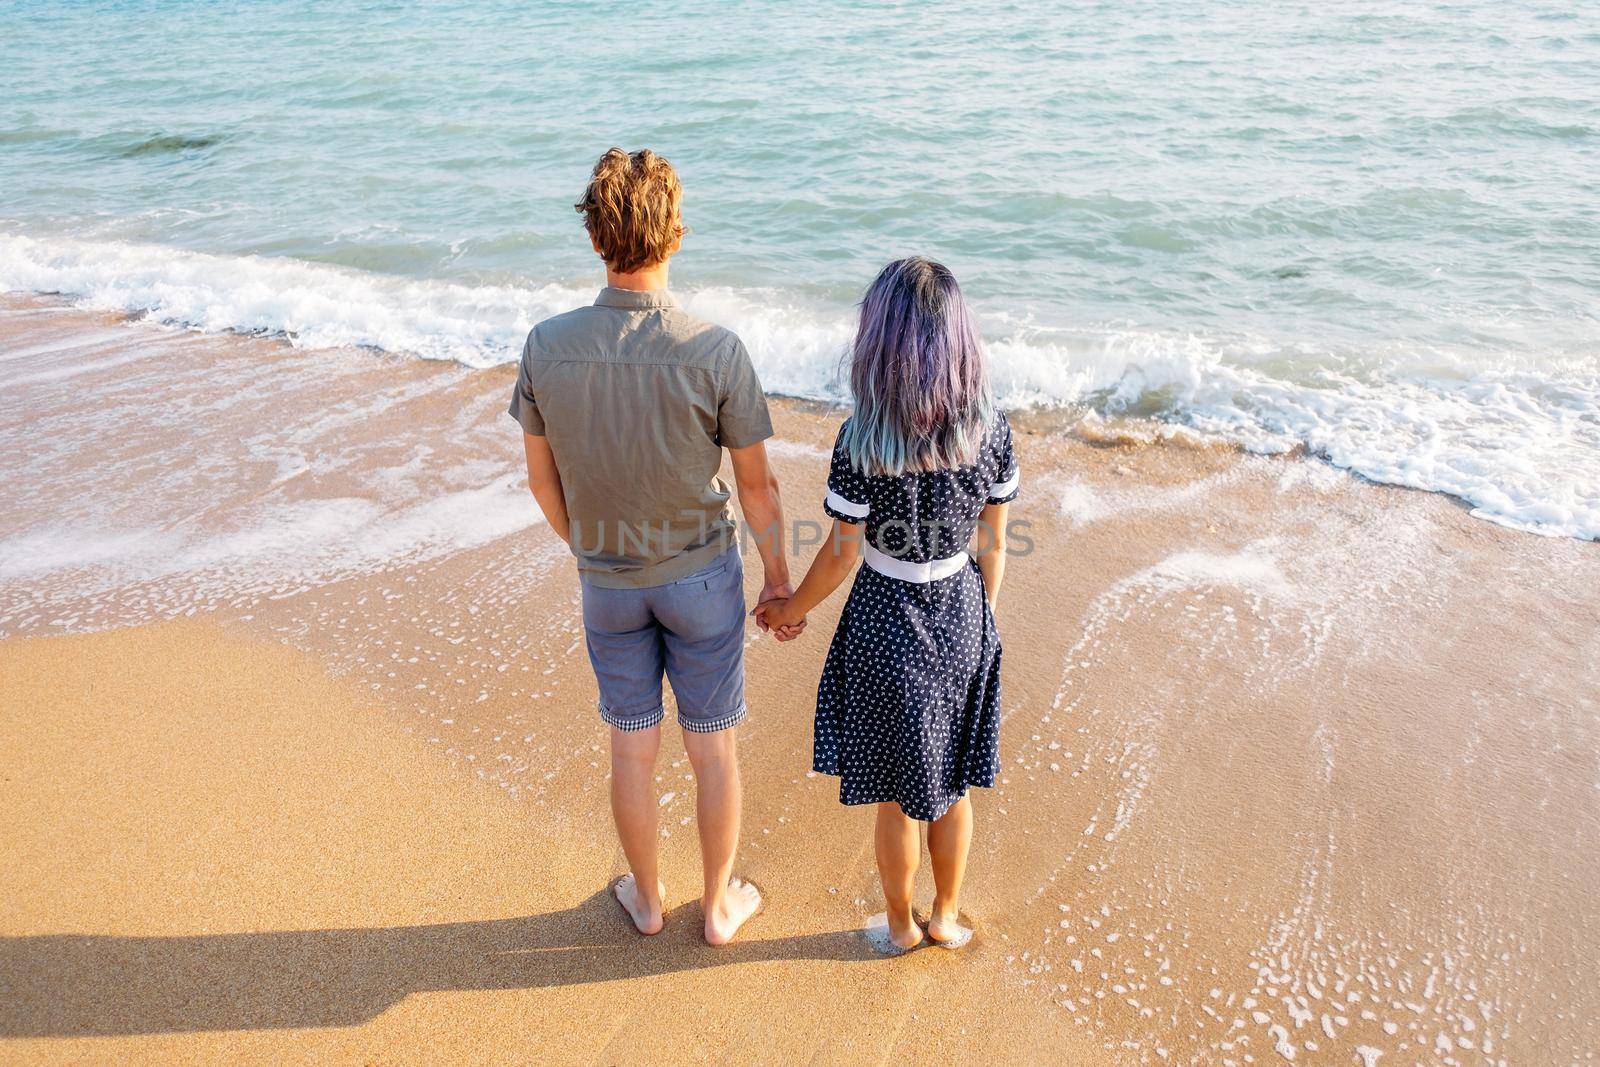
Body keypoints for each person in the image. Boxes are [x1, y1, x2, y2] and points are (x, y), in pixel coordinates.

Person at [509, 148, 795, 945]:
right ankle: (716, 907)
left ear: (598, 238)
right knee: (714, 753)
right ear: (674, 236)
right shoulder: (715, 349)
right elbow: (758, 489)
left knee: (630, 752)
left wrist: (592, 548)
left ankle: (646, 899)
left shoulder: (546, 345)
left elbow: (542, 484)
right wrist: (777, 580)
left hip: (609, 583)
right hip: (701, 579)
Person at [756, 257, 1016, 953]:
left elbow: (842, 552)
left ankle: (900, 925)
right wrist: (981, 618)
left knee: (901, 796)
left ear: (880, 345)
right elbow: (995, 540)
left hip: (884, 617)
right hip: (962, 610)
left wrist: (787, 608)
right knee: (955, 785)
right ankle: (947, 915)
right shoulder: (992, 430)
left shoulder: (862, 439)